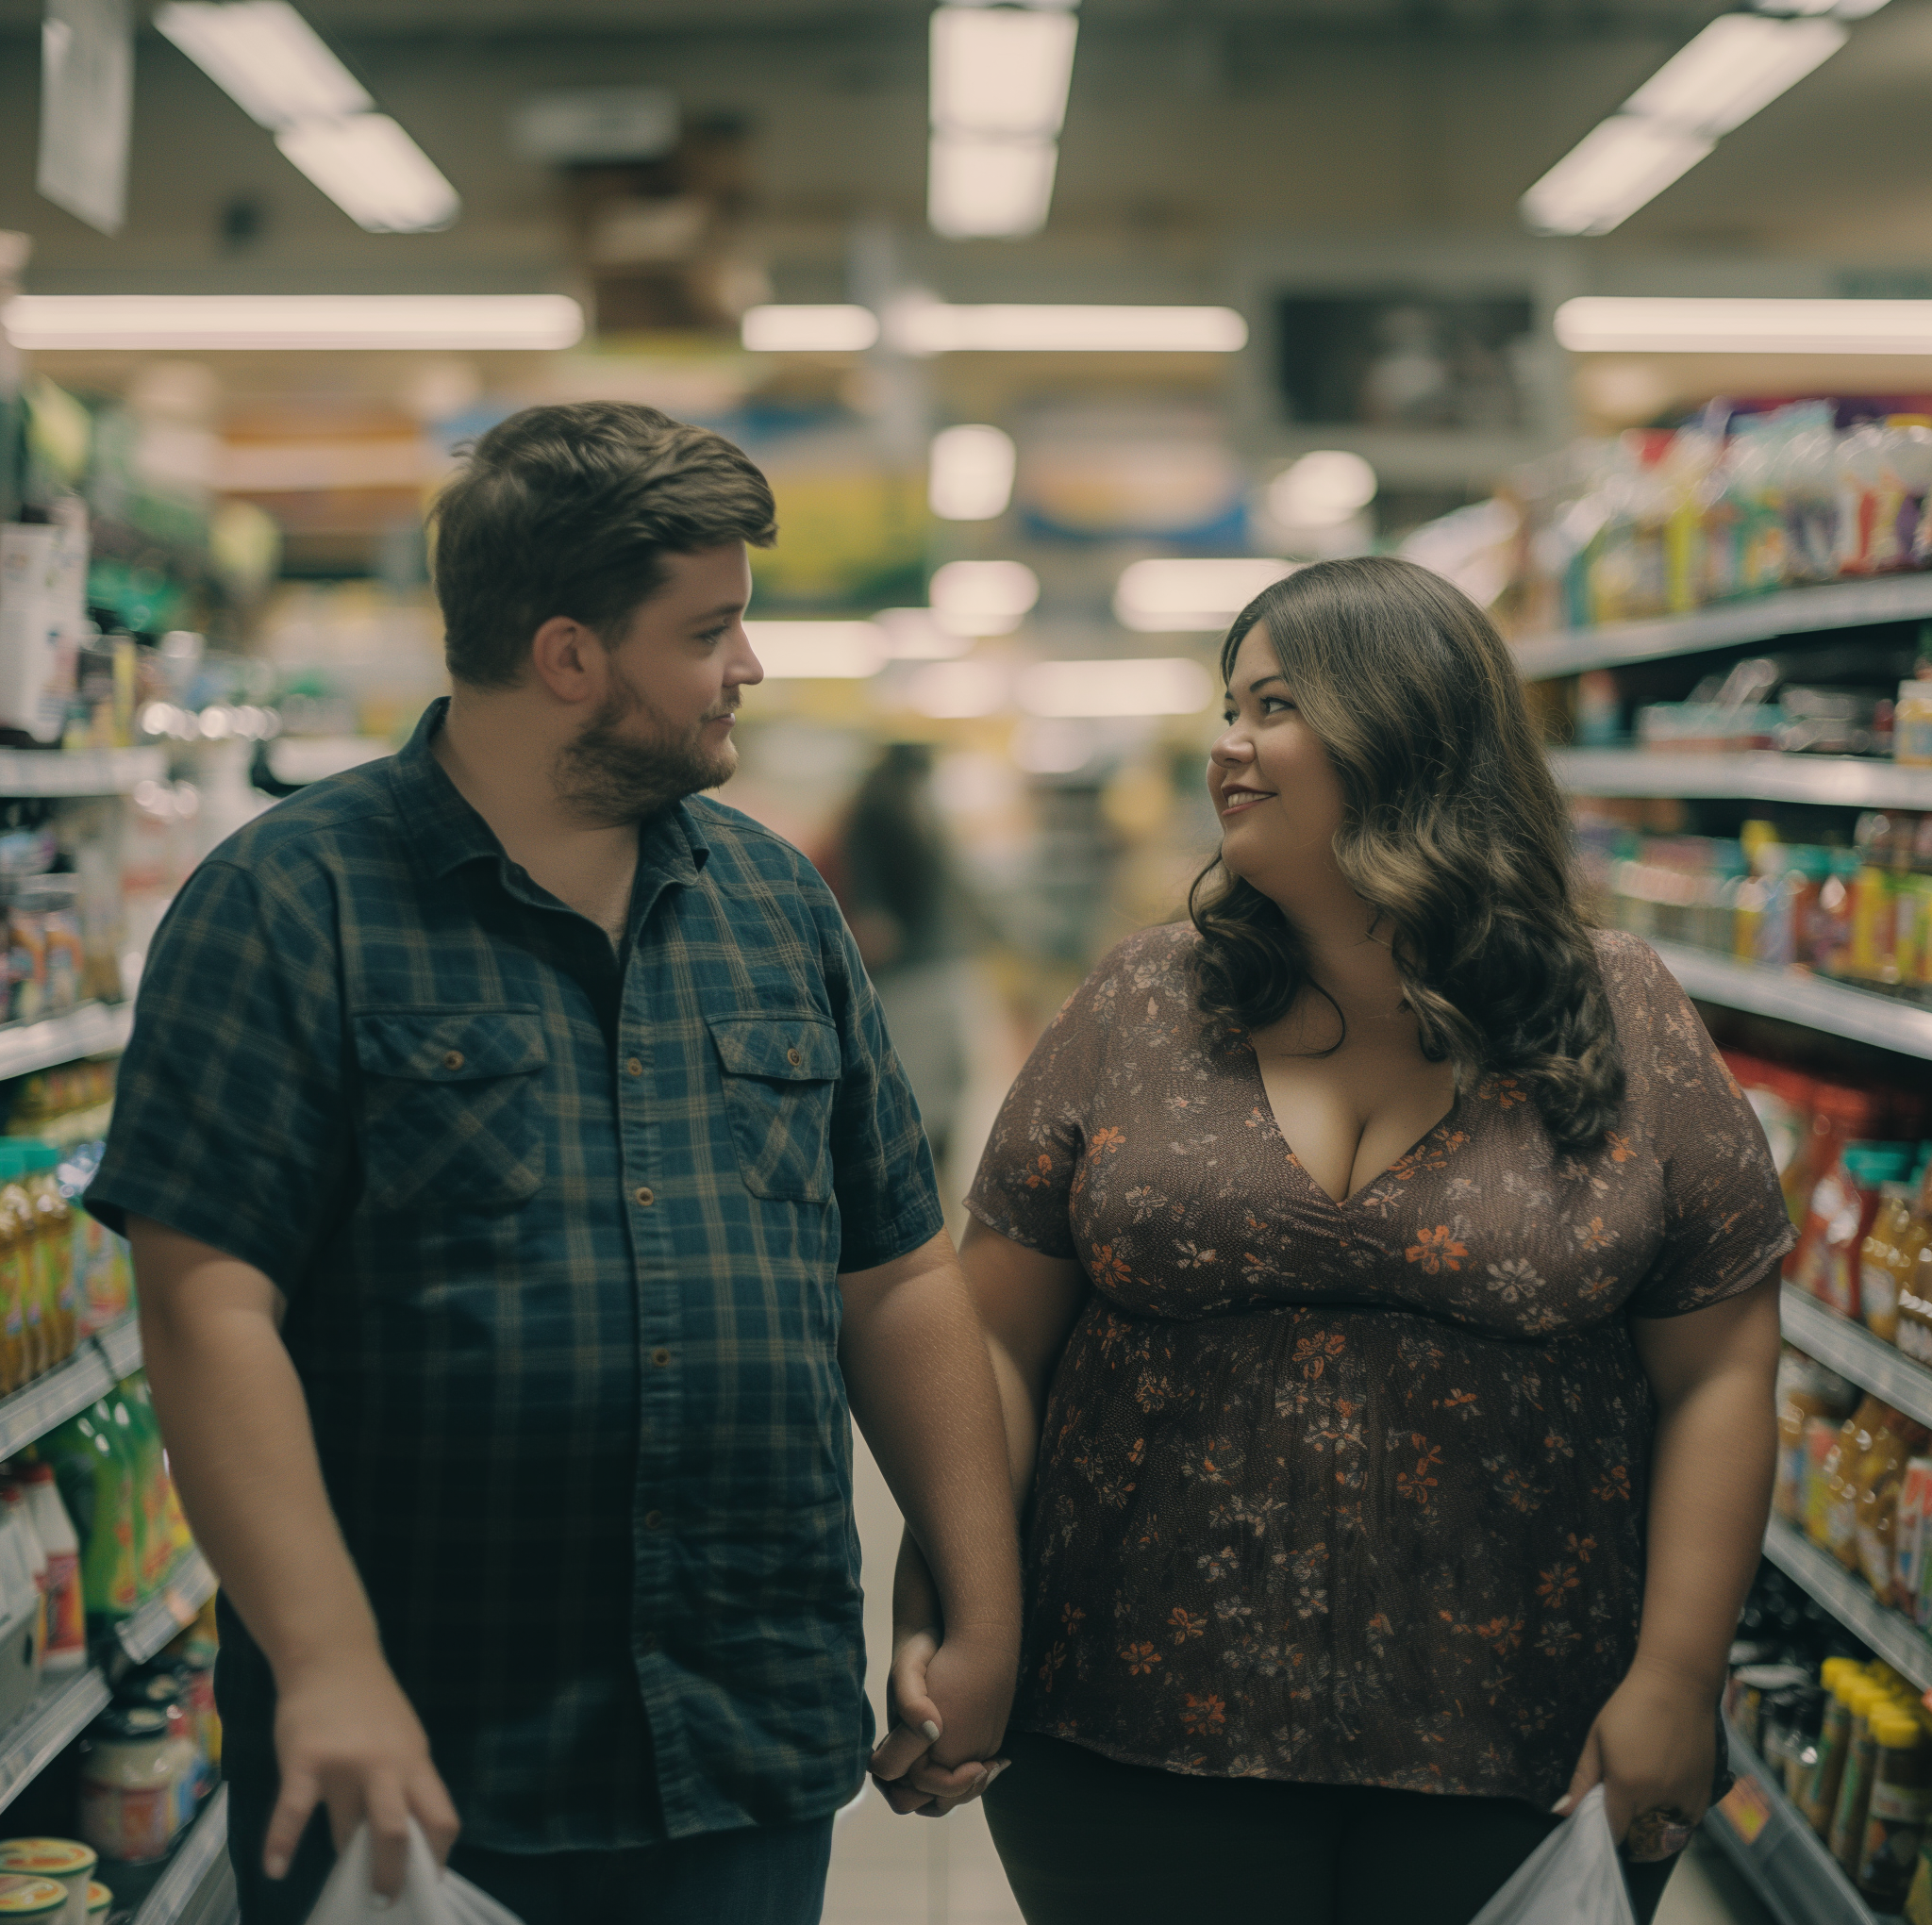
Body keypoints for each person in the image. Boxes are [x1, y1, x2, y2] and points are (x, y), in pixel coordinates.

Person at [87, 402, 1020, 1925]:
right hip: (418, 1752)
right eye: (710, 628)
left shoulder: (775, 907)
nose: (750, 664)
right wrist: (326, 1661)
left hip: (742, 1733)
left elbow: (897, 1269)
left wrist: (978, 1594)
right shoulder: (288, 902)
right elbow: (208, 1306)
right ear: (570, 655)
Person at [878, 556, 1790, 1924]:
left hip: (1520, 1737)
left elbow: (1719, 1364)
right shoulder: (1144, 999)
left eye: (1274, 705)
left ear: (1405, 730)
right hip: (1124, 1724)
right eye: (1226, 707)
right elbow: (994, 1337)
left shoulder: (1619, 1012)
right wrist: (962, 1618)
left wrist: (1675, 1676)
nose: (1224, 747)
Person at [830, 742, 979, 1175]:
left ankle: (925, 1177)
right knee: (929, 1088)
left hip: (922, 972)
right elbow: (876, 923)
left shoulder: (873, 810)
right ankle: (924, 1179)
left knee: (926, 1086)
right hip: (921, 976)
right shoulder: (888, 813)